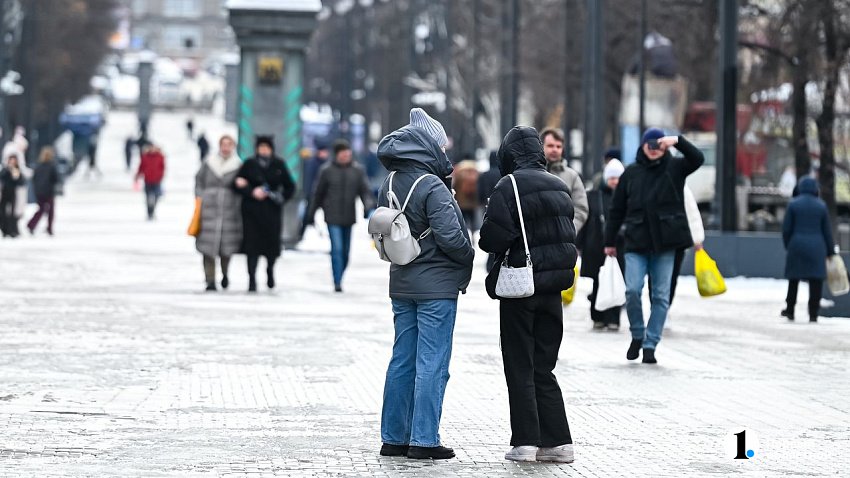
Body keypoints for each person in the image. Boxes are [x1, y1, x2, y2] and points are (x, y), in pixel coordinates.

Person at [378, 108, 474, 461]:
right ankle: (423, 440)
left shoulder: (388, 181)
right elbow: (451, 237)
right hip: (436, 286)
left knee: (402, 359)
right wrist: (469, 255)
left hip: (402, 282)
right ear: (429, 145)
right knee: (433, 362)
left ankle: (393, 437)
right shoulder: (431, 184)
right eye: (441, 144)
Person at [479, 126, 578, 463]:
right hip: (553, 291)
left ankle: (525, 442)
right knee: (544, 365)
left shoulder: (509, 186)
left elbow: (493, 238)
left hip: (521, 287)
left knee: (520, 363)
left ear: (508, 155)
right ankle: (559, 442)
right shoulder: (560, 185)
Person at [603, 128, 704, 364]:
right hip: (636, 242)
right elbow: (616, 210)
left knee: (660, 296)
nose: (654, 149)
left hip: (667, 243)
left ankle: (650, 343)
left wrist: (677, 141)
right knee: (632, 291)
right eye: (650, 145)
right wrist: (609, 241)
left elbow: (697, 158)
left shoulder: (676, 168)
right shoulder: (631, 173)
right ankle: (637, 334)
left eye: (658, 145)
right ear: (642, 146)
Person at [306, 139, 375, 292]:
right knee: (336, 249)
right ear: (337, 155)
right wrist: (310, 215)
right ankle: (337, 281)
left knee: (345, 252)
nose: (346, 157)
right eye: (343, 154)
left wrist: (368, 207)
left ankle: (340, 275)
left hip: (349, 217)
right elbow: (318, 194)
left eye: (348, 154)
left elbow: (365, 192)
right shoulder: (326, 171)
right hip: (332, 217)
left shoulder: (357, 171)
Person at [235, 136, 296, 293]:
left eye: (266, 147)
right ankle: (252, 279)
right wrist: (251, 191)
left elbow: (290, 186)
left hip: (271, 212)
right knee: (252, 248)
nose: (264, 150)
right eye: (261, 147)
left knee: (271, 247)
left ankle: (270, 271)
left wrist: (280, 197)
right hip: (252, 212)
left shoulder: (278, 164)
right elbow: (237, 184)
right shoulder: (249, 164)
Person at [577, 159, 626, 331]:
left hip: (620, 247)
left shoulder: (627, 196)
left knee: (616, 281)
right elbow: (585, 220)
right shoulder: (594, 196)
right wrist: (579, 244)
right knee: (599, 282)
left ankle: (614, 318)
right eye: (612, 177)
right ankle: (598, 316)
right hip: (596, 247)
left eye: (618, 177)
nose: (615, 181)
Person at [782, 177, 835, 322]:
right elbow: (827, 232)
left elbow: (786, 229)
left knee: (794, 279)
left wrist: (789, 245)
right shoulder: (821, 206)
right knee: (816, 281)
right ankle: (813, 313)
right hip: (817, 247)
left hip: (796, 245)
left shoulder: (793, 205)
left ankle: (790, 309)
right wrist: (830, 251)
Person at [195, 135, 243, 292]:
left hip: (230, 210)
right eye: (224, 144)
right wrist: (201, 197)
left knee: (226, 248)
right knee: (207, 247)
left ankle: (225, 274)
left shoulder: (238, 165)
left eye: (229, 144)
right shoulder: (209, 163)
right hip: (209, 209)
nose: (226, 147)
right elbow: (199, 180)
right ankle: (209, 279)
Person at [540, 127, 588, 233]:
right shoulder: (531, 174)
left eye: (558, 146)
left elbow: (581, 208)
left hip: (562, 242)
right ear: (541, 146)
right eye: (550, 146)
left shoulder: (572, 176)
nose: (555, 149)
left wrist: (569, 231)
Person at [26, 147, 60, 236]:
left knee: (41, 210)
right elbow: (56, 179)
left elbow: (34, 179)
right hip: (49, 192)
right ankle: (49, 228)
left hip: (39, 192)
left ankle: (31, 224)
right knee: (50, 211)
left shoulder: (38, 167)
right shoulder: (52, 167)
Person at [300, 140, 330, 238]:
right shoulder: (313, 163)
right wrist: (308, 194)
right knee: (308, 215)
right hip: (314, 194)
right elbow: (309, 179)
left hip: (325, 195)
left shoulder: (326, 164)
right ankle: (300, 234)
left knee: (330, 217)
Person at [452, 159, 480, 241]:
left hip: (461, 202)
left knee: (462, 222)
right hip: (473, 202)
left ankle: (464, 238)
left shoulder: (459, 172)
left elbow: (455, 186)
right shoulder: (476, 171)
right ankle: (473, 237)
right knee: (473, 222)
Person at [136, 143, 166, 220]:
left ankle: (153, 211)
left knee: (156, 196)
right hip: (147, 180)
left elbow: (163, 167)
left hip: (157, 180)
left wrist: (161, 176)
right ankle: (149, 213)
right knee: (148, 197)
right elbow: (141, 167)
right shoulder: (145, 156)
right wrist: (137, 175)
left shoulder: (160, 156)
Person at [0, 154, 26, 237]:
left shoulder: (17, 170)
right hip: (4, 193)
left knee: (13, 212)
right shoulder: (5, 169)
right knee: (3, 212)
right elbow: (2, 178)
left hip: (13, 193)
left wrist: (16, 175)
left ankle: (12, 230)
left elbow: (20, 181)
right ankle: (5, 229)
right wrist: (8, 170)